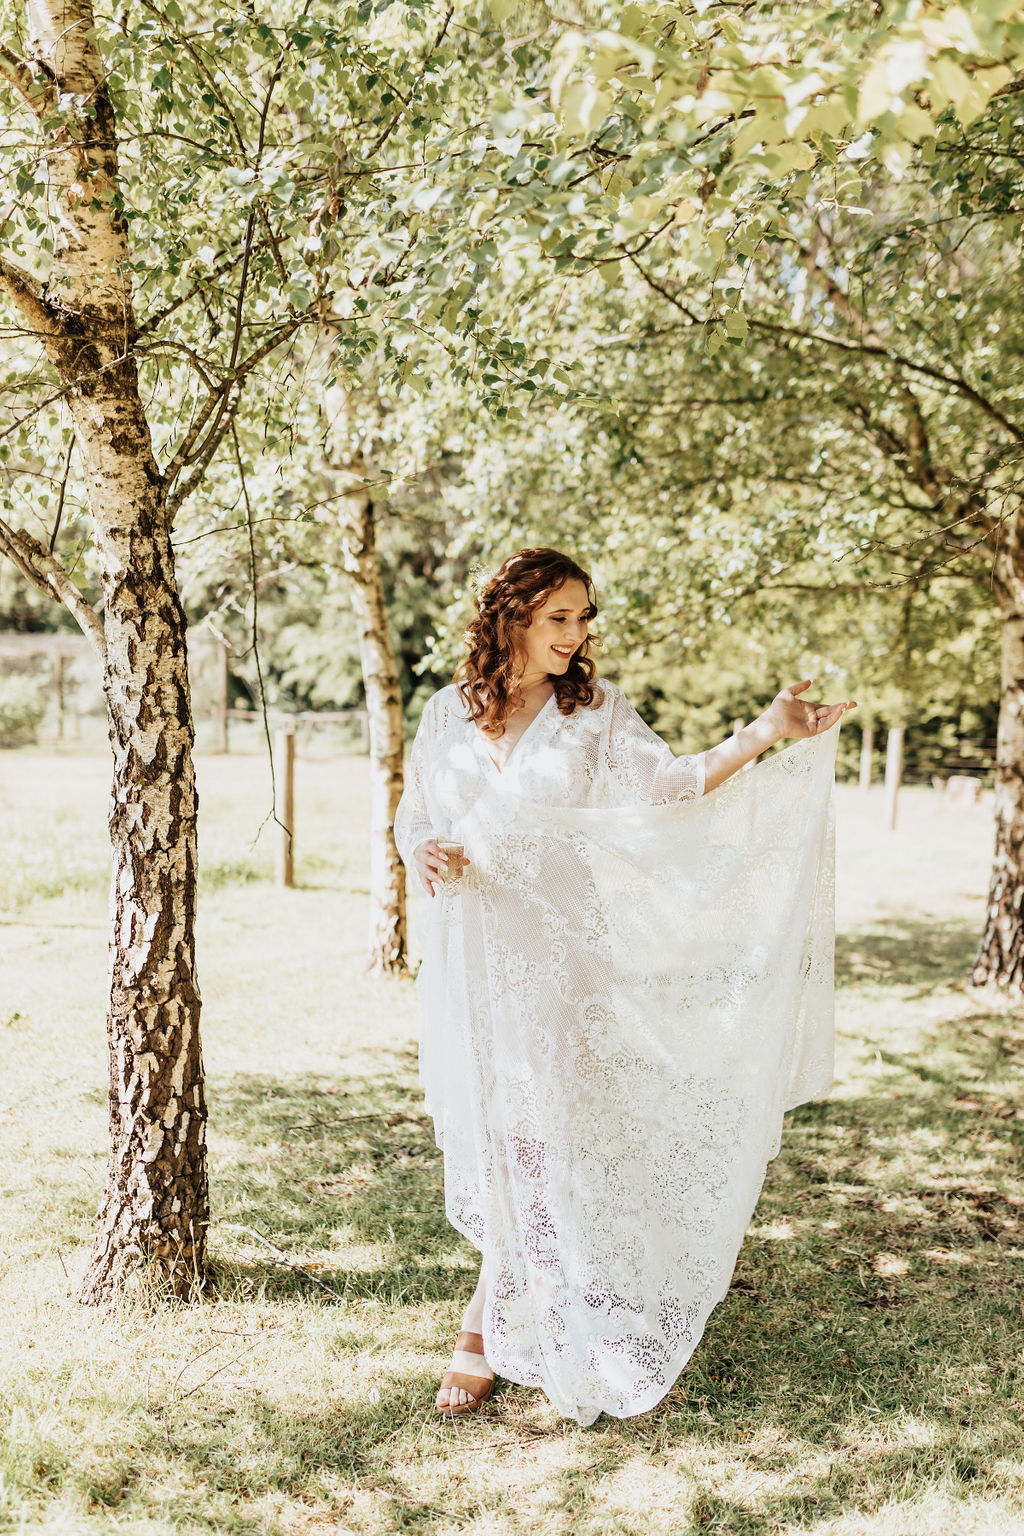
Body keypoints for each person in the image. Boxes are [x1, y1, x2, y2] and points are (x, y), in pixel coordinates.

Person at [394, 547, 856, 1425]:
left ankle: (503, 1324)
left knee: (554, 1130)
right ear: (511, 618)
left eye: (583, 618)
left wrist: (763, 733)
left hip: (563, 952)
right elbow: (416, 812)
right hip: (470, 960)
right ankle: (520, 1308)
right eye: (559, 617)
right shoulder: (445, 713)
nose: (576, 634)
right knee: (496, 1131)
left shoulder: (596, 713)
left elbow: (670, 788)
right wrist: (424, 849)